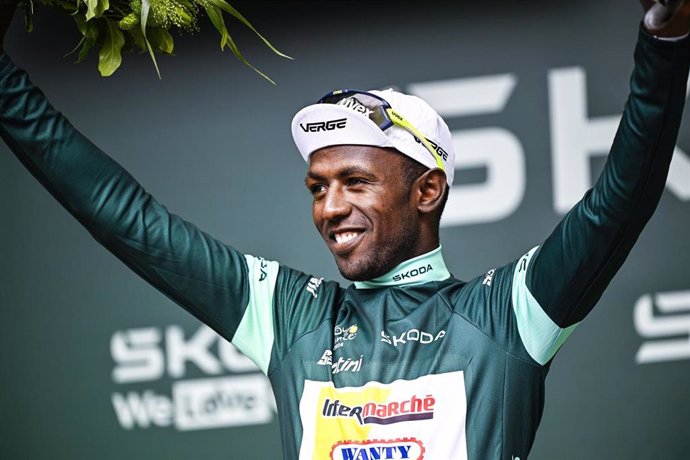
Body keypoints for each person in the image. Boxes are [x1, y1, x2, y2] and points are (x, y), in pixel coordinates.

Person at [1, 2, 689, 459]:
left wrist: (664, 41)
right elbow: (126, 218)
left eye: (354, 182)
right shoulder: (289, 315)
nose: (329, 209)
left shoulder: (504, 313)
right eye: (317, 188)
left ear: (427, 190)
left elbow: (620, 201)